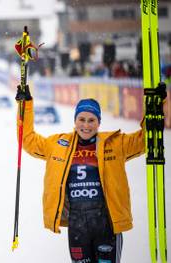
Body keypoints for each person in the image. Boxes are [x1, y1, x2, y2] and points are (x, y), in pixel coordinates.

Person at [15, 83, 166, 262]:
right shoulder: (58, 144)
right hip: (77, 224)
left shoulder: (114, 143)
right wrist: (25, 106)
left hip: (106, 223)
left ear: (99, 122)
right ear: (75, 121)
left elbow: (145, 140)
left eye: (91, 120)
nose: (86, 125)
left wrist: (155, 107)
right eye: (82, 119)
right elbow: (28, 141)